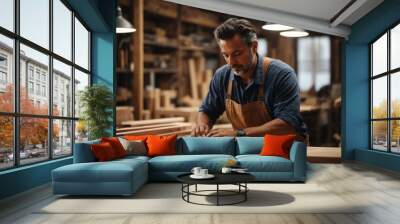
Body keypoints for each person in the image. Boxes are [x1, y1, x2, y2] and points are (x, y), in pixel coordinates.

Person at [191, 18, 308, 141]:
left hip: (284, 149)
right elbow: (208, 110)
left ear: (254, 46)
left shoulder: (281, 74)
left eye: (237, 54)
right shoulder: (222, 76)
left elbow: (287, 124)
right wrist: (202, 124)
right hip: (246, 150)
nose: (231, 62)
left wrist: (240, 133)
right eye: (226, 55)